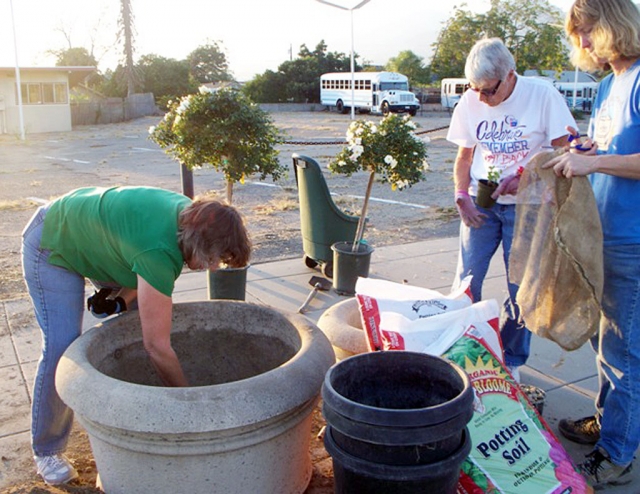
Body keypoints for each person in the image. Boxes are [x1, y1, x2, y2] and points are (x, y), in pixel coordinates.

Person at [21, 186, 251, 485]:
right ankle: (47, 449)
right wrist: (189, 403)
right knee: (61, 347)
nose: (214, 266)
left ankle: (138, 410)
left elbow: (140, 256)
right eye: (216, 256)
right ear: (201, 238)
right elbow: (157, 346)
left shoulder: (191, 218)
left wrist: (119, 300)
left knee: (136, 321)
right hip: (51, 241)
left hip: (98, 236)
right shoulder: (160, 250)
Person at [544, 0, 640, 488]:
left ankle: (618, 453)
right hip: (603, 235)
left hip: (634, 238)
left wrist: (597, 164)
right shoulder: (606, 86)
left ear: (612, 24)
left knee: (627, 351)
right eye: (576, 35)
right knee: (606, 344)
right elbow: (610, 149)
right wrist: (587, 150)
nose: (580, 43)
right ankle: (608, 422)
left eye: (585, 32)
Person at [446, 38, 576, 382]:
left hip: (528, 208)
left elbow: (565, 152)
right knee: (466, 280)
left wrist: (526, 177)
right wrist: (461, 193)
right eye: (474, 89)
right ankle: (458, 349)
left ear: (510, 75)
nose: (481, 98)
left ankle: (512, 360)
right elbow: (464, 156)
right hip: (482, 202)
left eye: (488, 91)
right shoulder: (472, 101)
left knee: (522, 289)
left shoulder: (542, 96)